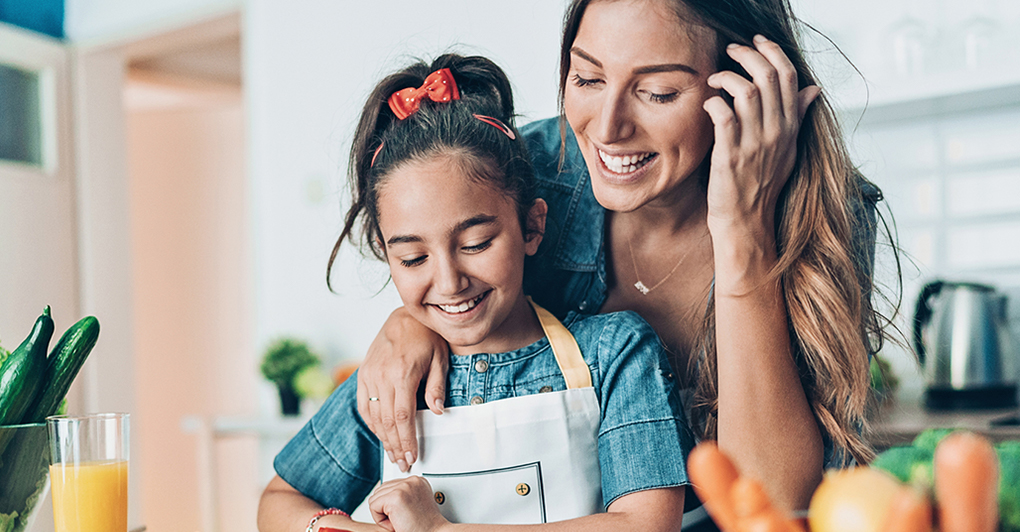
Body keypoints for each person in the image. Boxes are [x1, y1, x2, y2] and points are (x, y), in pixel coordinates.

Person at [354, 0, 894, 515]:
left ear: (746, 90)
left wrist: (744, 231)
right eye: (587, 78)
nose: (607, 128)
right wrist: (410, 323)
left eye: (657, 93)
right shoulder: (537, 170)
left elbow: (770, 505)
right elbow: (445, 274)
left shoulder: (823, 213)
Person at [257, 54, 694, 532]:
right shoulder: (390, 383)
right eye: (413, 259)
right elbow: (280, 500)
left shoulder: (614, 354)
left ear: (531, 226)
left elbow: (647, 525)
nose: (449, 282)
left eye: (475, 244)